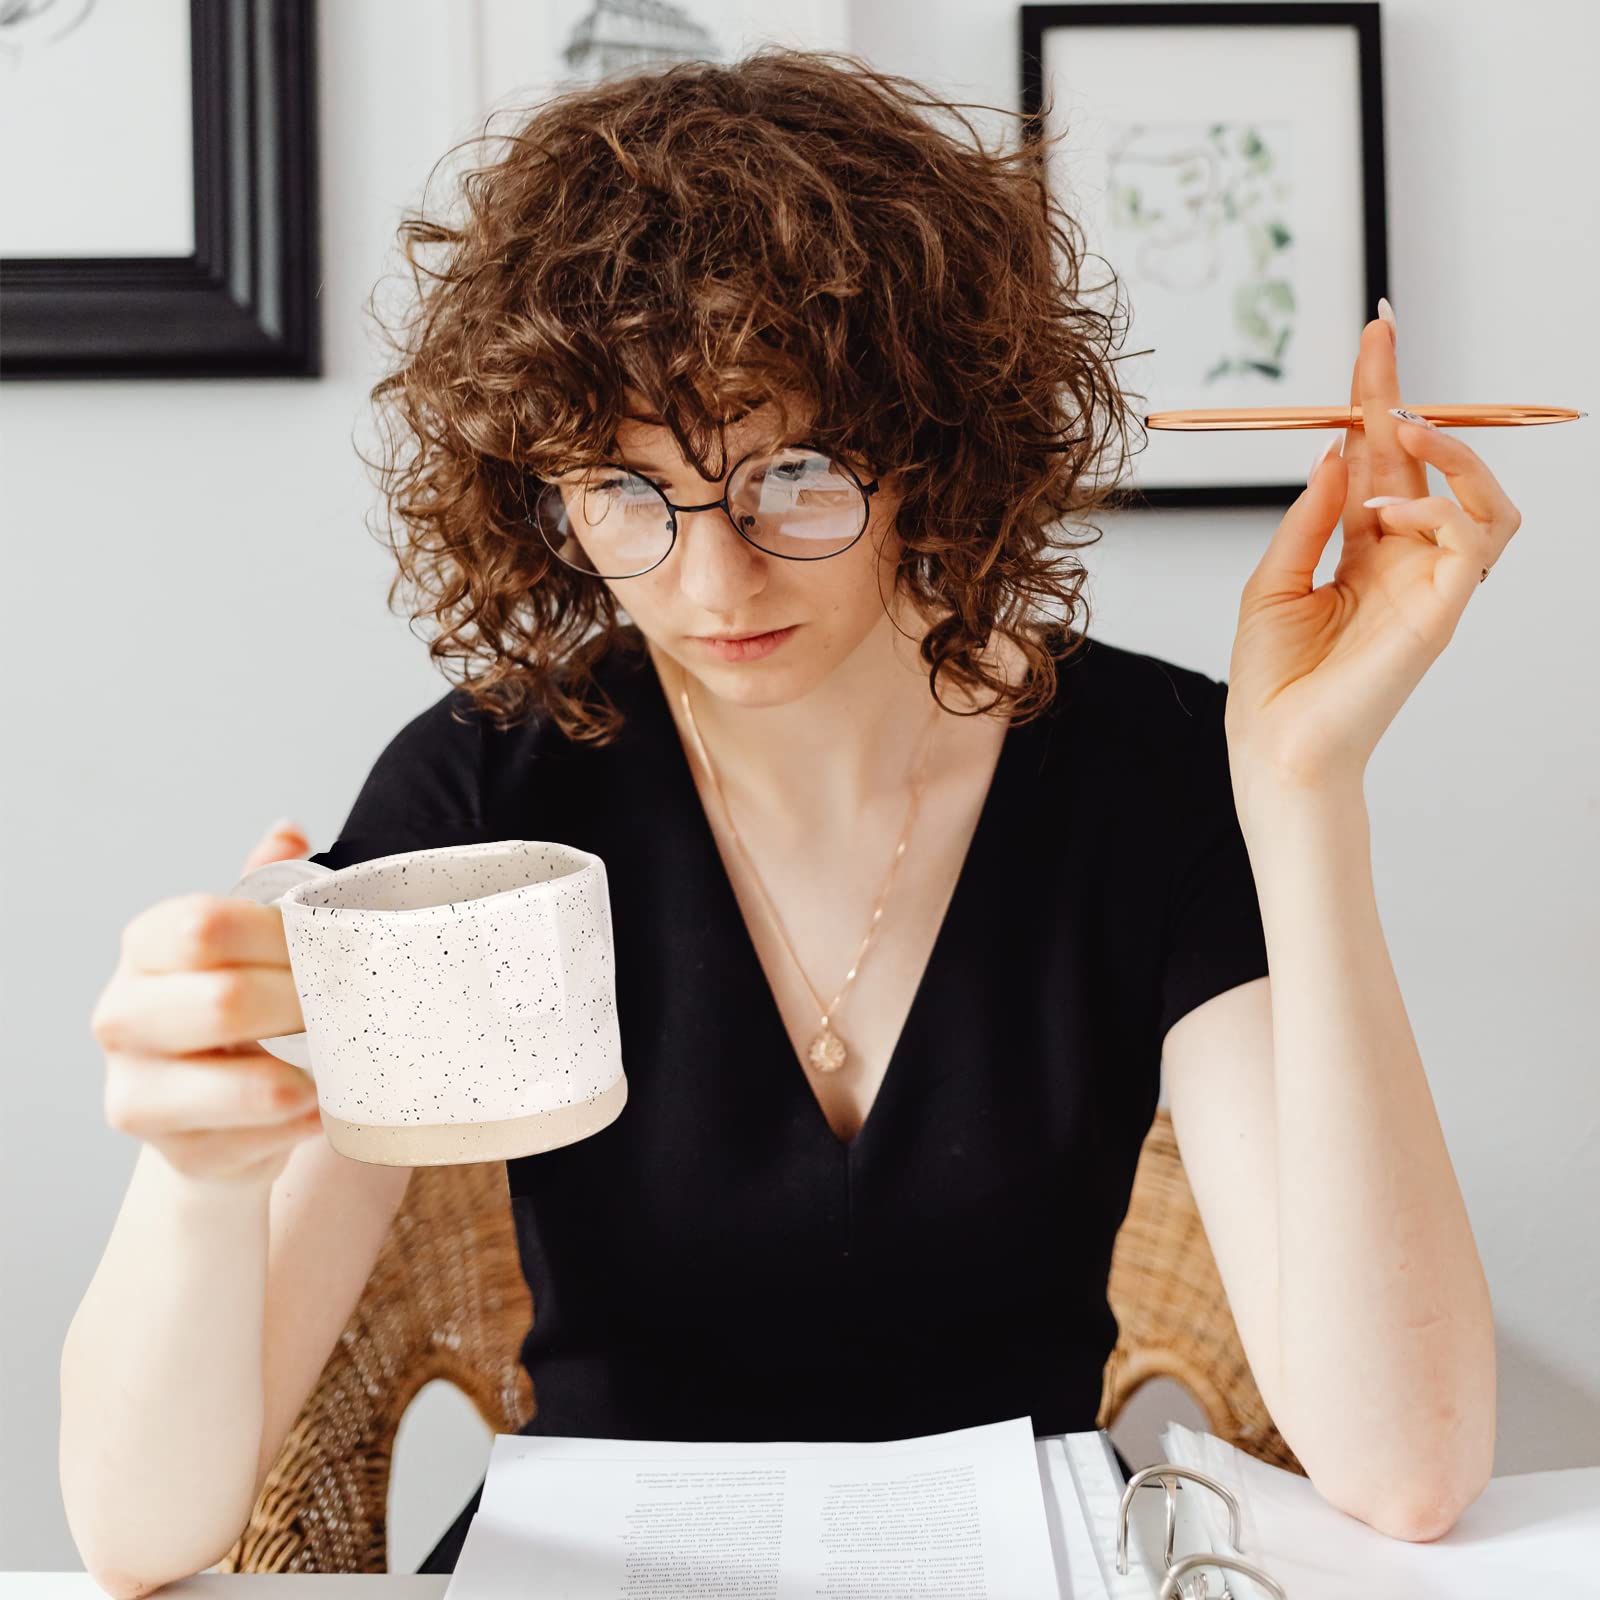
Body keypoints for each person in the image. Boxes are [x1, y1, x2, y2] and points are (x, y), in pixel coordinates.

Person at [64, 47, 1516, 1593]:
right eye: (623, 490)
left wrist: (1301, 788)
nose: (713, 584)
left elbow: (1406, 1471)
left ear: (937, 453)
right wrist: (197, 1176)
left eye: (797, 474)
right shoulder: (493, 789)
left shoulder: (1149, 768)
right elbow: (142, 1537)